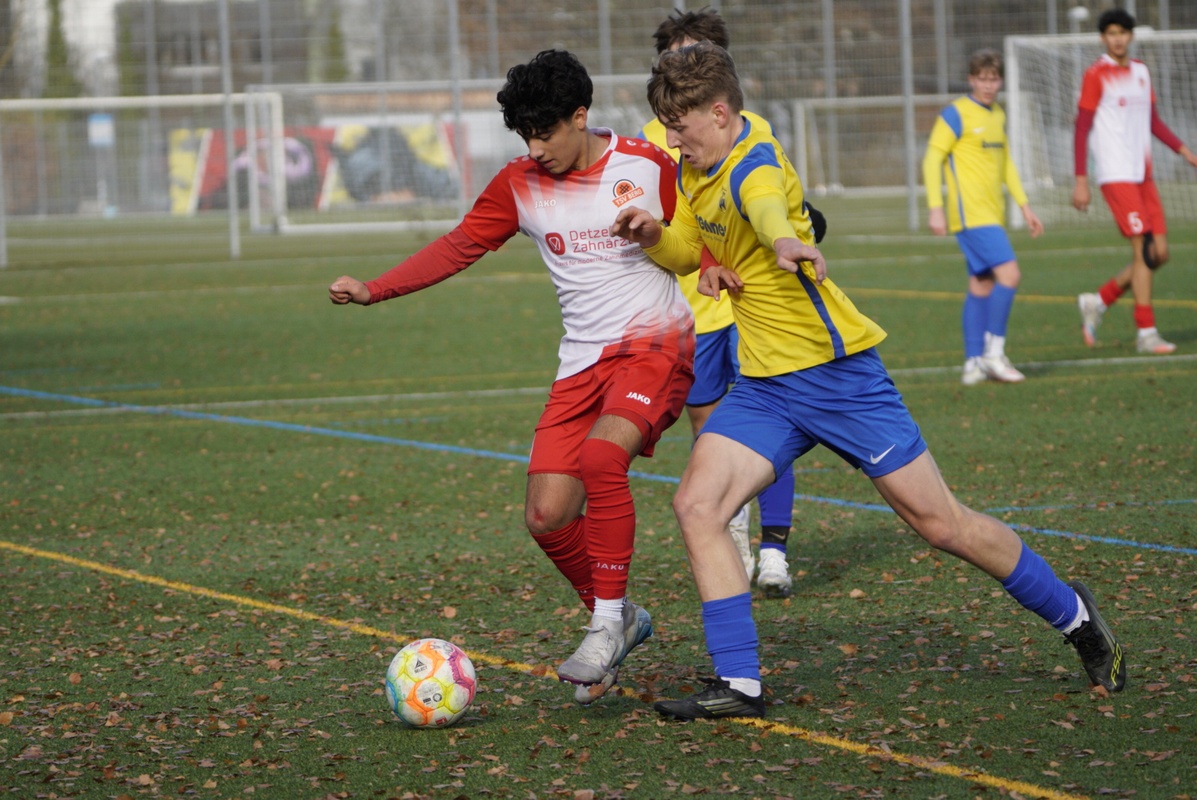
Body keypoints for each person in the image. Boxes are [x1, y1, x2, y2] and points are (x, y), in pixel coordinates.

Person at [612, 40, 1126, 721]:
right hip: (766, 386)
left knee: (940, 524)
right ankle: (739, 683)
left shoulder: (754, 163)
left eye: (680, 127)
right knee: (697, 506)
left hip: (837, 379)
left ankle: (1076, 617)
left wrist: (784, 240)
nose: (673, 140)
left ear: (720, 112)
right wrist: (656, 235)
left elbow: (766, 207)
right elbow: (686, 247)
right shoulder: (695, 168)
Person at [329, 49, 695, 707]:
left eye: (545, 132)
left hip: (655, 347)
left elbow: (699, 238)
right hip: (580, 363)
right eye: (525, 135)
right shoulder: (520, 183)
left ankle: (603, 627)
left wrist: (721, 264)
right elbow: (458, 246)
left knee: (602, 458)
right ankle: (621, 617)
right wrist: (374, 289)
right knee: (547, 515)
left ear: (579, 116)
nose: (535, 148)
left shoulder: (647, 166)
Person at [638, 8, 820, 597]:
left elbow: (766, 196)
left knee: (775, 424)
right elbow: (677, 229)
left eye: (696, 53)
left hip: (755, 307)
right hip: (696, 309)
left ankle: (775, 551)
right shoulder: (656, 137)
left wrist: (787, 234)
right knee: (714, 432)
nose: (683, 63)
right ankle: (732, 541)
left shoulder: (752, 131)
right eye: (674, 55)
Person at [1073, 8, 1197, 355]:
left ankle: (1099, 300)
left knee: (1159, 253)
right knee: (1143, 251)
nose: (1117, 39)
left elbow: (1152, 121)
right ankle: (1146, 332)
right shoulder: (1096, 74)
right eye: (1111, 33)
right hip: (1116, 174)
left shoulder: (1142, 71)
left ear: (1131, 36)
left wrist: (1185, 152)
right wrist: (1081, 179)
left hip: (1143, 174)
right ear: (1103, 38)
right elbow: (1082, 127)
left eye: (1123, 33)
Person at [922, 49, 1044, 386]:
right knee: (1011, 275)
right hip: (970, 214)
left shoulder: (998, 114)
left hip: (992, 213)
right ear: (971, 79)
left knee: (981, 284)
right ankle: (994, 354)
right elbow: (932, 160)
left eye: (994, 79)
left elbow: (1006, 165)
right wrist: (935, 207)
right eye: (982, 79)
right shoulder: (955, 113)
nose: (989, 85)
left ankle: (973, 362)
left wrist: (1025, 206)